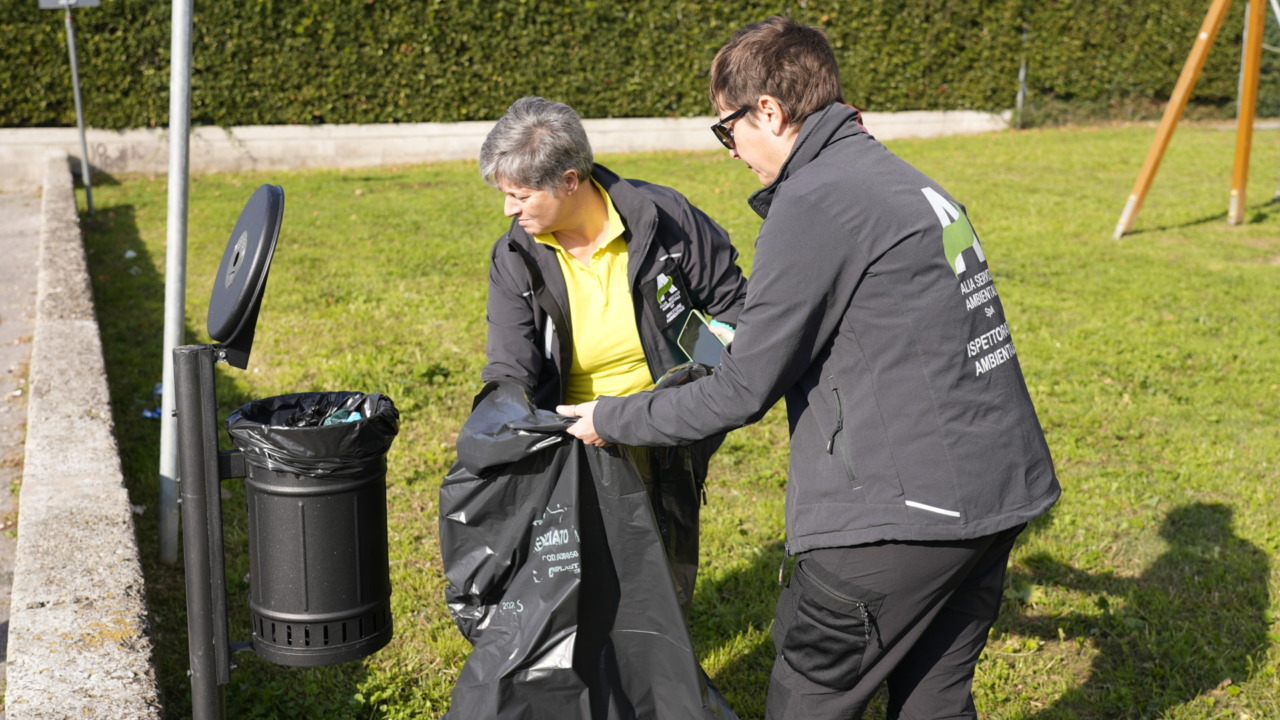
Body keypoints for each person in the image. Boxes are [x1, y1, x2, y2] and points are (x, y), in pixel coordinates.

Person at [558, 16, 1060, 720]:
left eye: (725, 129)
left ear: (769, 110)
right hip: (993, 494)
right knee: (935, 698)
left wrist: (613, 417)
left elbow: (742, 390)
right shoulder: (901, 180)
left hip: (898, 519)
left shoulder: (818, 198)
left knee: (811, 696)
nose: (729, 151)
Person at [477, 96, 748, 619]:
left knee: (659, 571)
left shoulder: (667, 219)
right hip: (571, 437)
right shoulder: (514, 255)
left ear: (570, 181)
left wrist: (692, 397)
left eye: (521, 195)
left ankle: (656, 656)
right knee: (573, 582)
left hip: (662, 429)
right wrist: (499, 428)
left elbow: (735, 306)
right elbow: (508, 367)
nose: (509, 209)